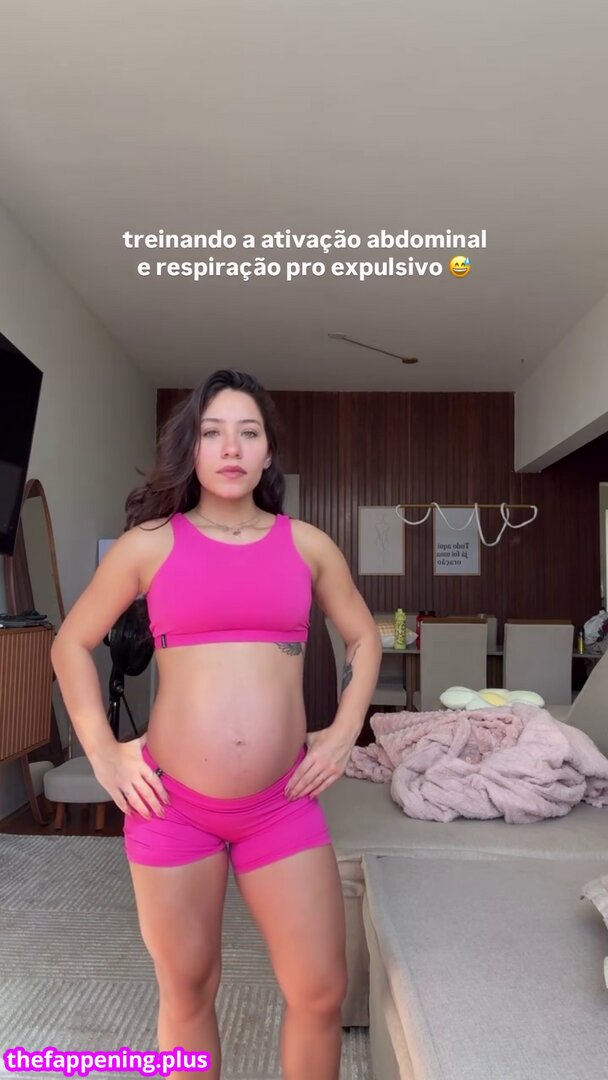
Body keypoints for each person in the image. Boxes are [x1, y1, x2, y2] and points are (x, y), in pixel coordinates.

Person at [51, 368, 382, 1080]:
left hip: (281, 803)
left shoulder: (307, 545)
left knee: (321, 989)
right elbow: (70, 643)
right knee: (187, 989)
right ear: (192, 449)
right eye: (212, 432)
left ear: (268, 453)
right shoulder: (149, 544)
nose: (231, 447)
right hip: (171, 807)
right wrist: (103, 752)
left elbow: (365, 638)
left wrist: (344, 730)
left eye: (248, 432)